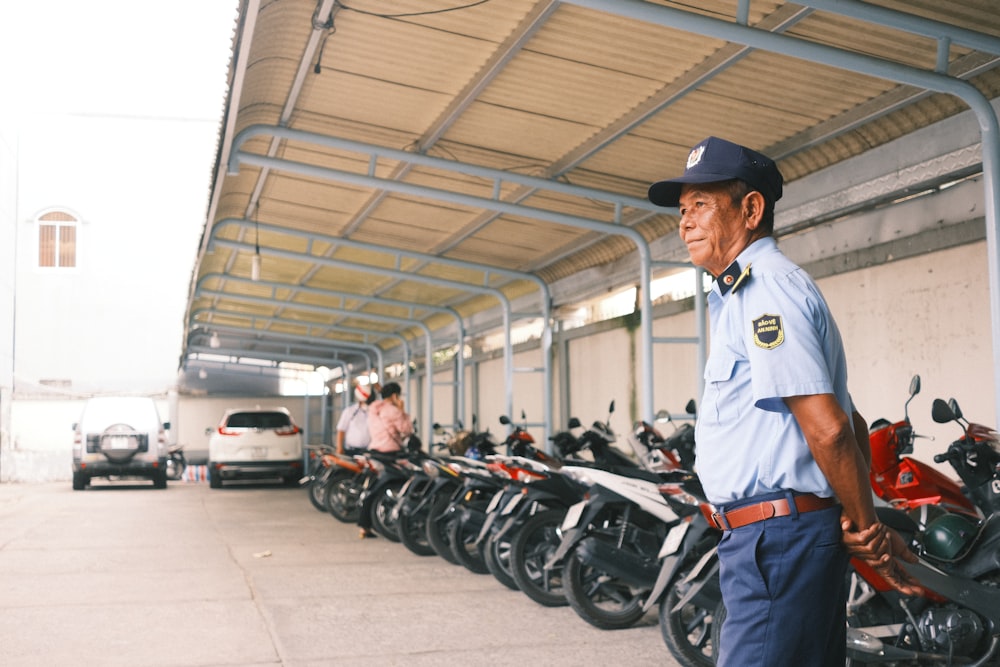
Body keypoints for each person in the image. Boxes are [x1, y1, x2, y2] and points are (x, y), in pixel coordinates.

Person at [647, 136, 919, 667]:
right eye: (682, 210)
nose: (685, 222)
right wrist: (856, 514)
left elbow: (832, 429)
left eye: (701, 205)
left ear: (751, 209)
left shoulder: (763, 291)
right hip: (778, 537)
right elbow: (852, 419)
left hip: (776, 541)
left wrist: (868, 529)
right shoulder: (746, 294)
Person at [358, 381, 413, 539]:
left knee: (373, 488)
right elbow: (407, 430)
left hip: (375, 452)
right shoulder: (393, 411)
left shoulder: (373, 409)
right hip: (390, 453)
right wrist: (402, 410)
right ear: (395, 396)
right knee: (404, 481)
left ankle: (364, 525)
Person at [335, 383, 374, 455]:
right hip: (351, 450)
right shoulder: (349, 411)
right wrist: (339, 448)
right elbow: (341, 430)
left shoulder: (374, 411)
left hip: (368, 451)